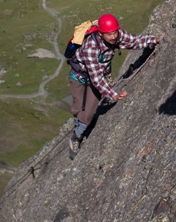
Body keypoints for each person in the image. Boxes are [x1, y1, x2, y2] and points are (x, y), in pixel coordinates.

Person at [68, 13, 161, 157]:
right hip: (79, 77)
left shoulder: (118, 35)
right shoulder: (91, 46)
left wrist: (152, 41)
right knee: (78, 107)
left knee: (88, 112)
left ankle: (77, 135)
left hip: (94, 76)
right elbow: (96, 78)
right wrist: (113, 95)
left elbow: (134, 42)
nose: (113, 37)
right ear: (100, 33)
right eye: (109, 34)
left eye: (114, 32)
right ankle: (79, 127)